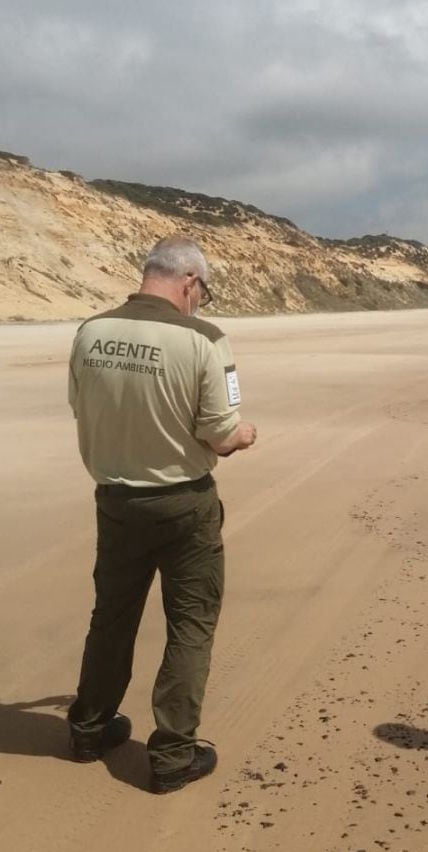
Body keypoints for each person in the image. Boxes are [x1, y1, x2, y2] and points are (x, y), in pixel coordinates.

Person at [66, 235, 256, 793]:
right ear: (190, 282)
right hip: (183, 504)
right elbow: (219, 434)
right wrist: (242, 436)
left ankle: (89, 728)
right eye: (204, 291)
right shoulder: (204, 339)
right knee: (191, 623)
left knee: (113, 616)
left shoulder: (91, 332)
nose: (202, 302)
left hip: (116, 501)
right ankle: (173, 754)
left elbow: (83, 407)